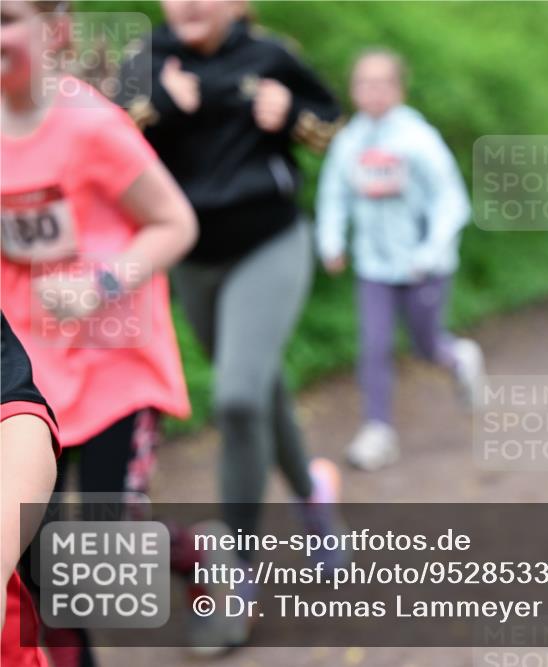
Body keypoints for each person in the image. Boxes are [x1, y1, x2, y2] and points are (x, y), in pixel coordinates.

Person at [116, 0, 345, 648]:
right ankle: (314, 500)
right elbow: (102, 142)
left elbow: (332, 126)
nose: (188, 2)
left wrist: (293, 117)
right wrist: (155, 101)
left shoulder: (270, 55)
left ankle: (236, 579)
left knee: (239, 397)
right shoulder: (149, 60)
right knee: (262, 391)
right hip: (192, 256)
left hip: (268, 242)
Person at [1, 2, 197, 662]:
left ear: (53, 28)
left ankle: (201, 555)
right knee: (40, 566)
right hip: (32, 375)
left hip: (115, 364)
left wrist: (100, 284)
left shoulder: (88, 123)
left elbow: (175, 222)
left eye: (5, 19)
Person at [317, 48, 484, 472]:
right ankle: (377, 430)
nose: (372, 91)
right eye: (363, 82)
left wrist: (428, 252)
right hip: (374, 268)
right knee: (374, 346)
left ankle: (458, 356)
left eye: (381, 82)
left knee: (427, 347)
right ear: (353, 90)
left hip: (424, 266)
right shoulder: (349, 142)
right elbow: (334, 195)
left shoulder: (418, 139)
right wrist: (331, 242)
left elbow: (451, 200)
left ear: (398, 88)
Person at [2, 314, 59, 667]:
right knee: (49, 567)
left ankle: (195, 553)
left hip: (110, 389)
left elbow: (14, 410)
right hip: (50, 382)